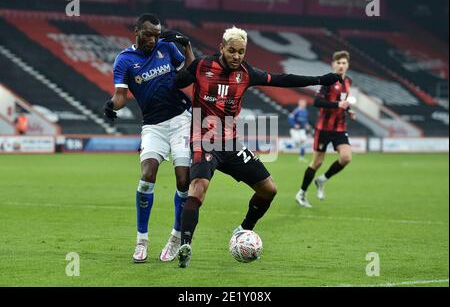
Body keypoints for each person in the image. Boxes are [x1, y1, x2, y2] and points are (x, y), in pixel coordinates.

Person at [173, 26, 343, 268]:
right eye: (232, 51)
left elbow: (282, 80)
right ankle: (185, 245)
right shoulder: (201, 66)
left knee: (269, 190)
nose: (236, 56)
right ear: (221, 47)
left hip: (231, 144)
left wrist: (318, 81)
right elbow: (178, 82)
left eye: (241, 52)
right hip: (204, 140)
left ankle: (243, 230)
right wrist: (185, 54)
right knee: (198, 188)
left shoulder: (246, 73)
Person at [103, 13, 195, 262]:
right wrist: (111, 105)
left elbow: (190, 73)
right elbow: (121, 97)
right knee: (147, 176)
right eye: (148, 35)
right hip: (153, 126)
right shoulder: (124, 60)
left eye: (157, 35)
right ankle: (141, 240)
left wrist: (186, 47)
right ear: (136, 31)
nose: (153, 40)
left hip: (180, 121)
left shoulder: (167, 48)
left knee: (183, 178)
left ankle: (176, 237)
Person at [295, 51, 356, 208]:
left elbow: (343, 102)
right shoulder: (328, 81)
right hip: (323, 128)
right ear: (333, 64)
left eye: (344, 63)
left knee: (346, 157)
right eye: (338, 63)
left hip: (340, 128)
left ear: (348, 65)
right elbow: (316, 102)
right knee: (317, 162)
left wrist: (349, 111)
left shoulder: (349, 81)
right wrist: (337, 105)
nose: (341, 66)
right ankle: (301, 193)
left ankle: (322, 179)